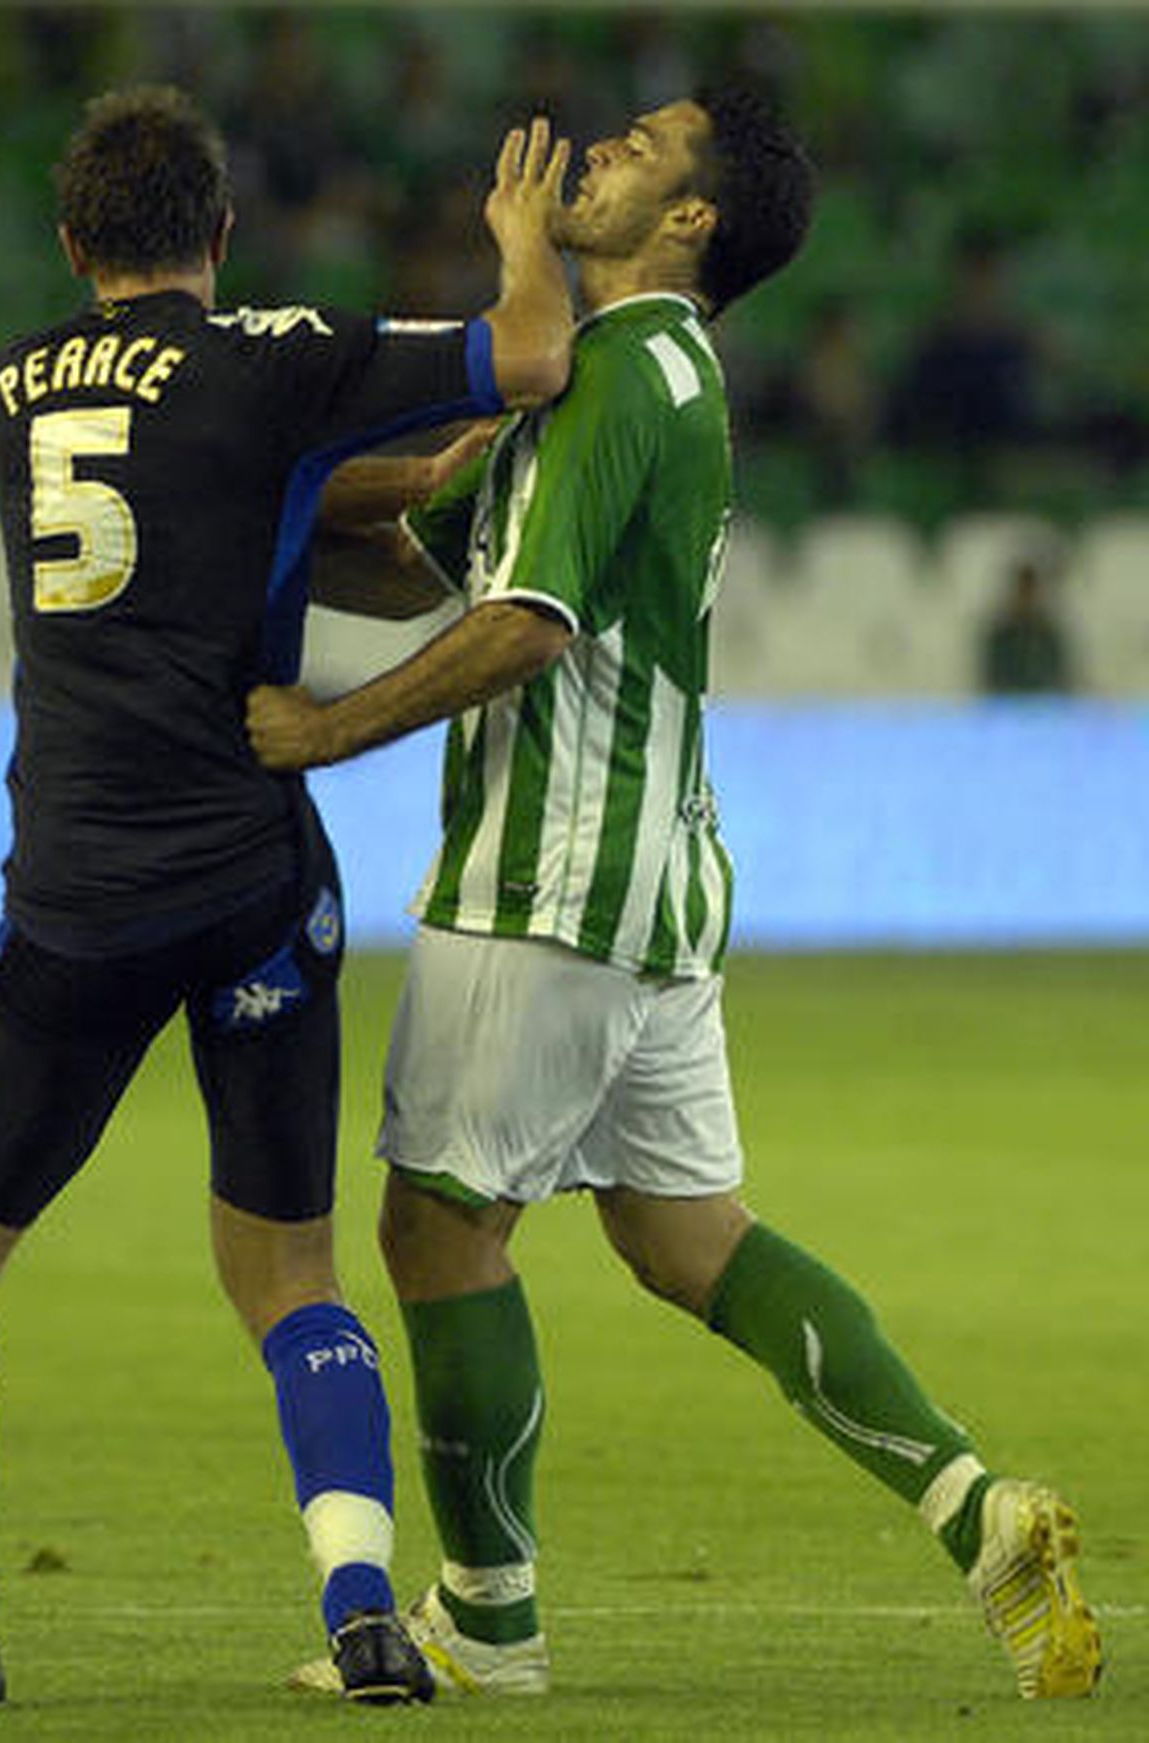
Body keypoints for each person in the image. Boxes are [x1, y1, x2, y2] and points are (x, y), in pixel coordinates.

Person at [249, 86, 1102, 1704]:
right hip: (658, 880)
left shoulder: (629, 369)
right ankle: (973, 1506)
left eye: (636, 150)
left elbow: (527, 620)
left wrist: (323, 731)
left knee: (437, 1228)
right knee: (688, 1233)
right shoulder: (614, 380)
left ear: (693, 219)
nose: (595, 155)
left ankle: (487, 1615)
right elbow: (428, 539)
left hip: (551, 877)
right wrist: (239, 493)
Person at [0, 85, 574, 1709]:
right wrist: (516, 244)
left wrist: (356, 480)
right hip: (258, 884)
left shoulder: (14, 387)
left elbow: (191, 491)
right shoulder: (277, 359)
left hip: (80, 893)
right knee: (291, 1275)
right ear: (218, 235)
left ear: (76, 247)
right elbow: (533, 353)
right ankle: (365, 1617)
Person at [979, 551, 1075, 695]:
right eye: (1024, 590)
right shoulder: (1002, 635)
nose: (1028, 597)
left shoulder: (1048, 634)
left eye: (1031, 590)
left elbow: (1061, 678)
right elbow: (992, 680)